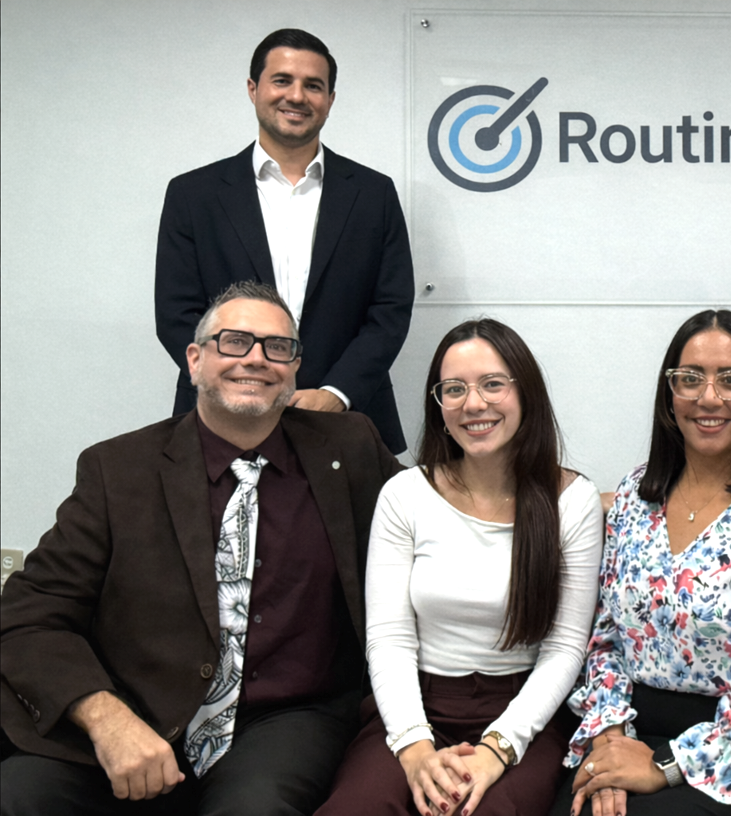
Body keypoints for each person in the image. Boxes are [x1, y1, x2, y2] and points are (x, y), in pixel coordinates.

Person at [0, 282, 403, 815]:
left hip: (286, 720)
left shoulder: (349, 448)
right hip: (133, 710)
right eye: (234, 342)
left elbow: (447, 511)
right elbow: (29, 617)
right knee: (21, 795)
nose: (256, 359)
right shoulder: (118, 471)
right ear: (194, 359)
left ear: (295, 368)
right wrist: (105, 718)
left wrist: (548, 489)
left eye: (277, 347)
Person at [316, 319, 603, 816]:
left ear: (525, 392)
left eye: (493, 384)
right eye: (455, 389)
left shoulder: (572, 502)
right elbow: (388, 638)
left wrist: (499, 748)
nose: (474, 404)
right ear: (439, 404)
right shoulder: (405, 494)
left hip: (524, 715)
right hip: (415, 707)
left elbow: (564, 649)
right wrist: (414, 747)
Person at [558, 310, 731, 816]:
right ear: (670, 393)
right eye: (690, 379)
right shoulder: (633, 497)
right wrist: (608, 741)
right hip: (630, 727)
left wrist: (664, 765)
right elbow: (604, 642)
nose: (709, 398)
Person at [155, 28, 415, 453]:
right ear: (253, 89)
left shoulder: (373, 194)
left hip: (346, 422)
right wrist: (247, 386)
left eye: (313, 86)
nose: (297, 96)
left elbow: (390, 310)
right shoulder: (193, 194)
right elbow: (176, 313)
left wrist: (337, 392)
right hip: (222, 419)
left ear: (330, 100)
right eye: (282, 81)